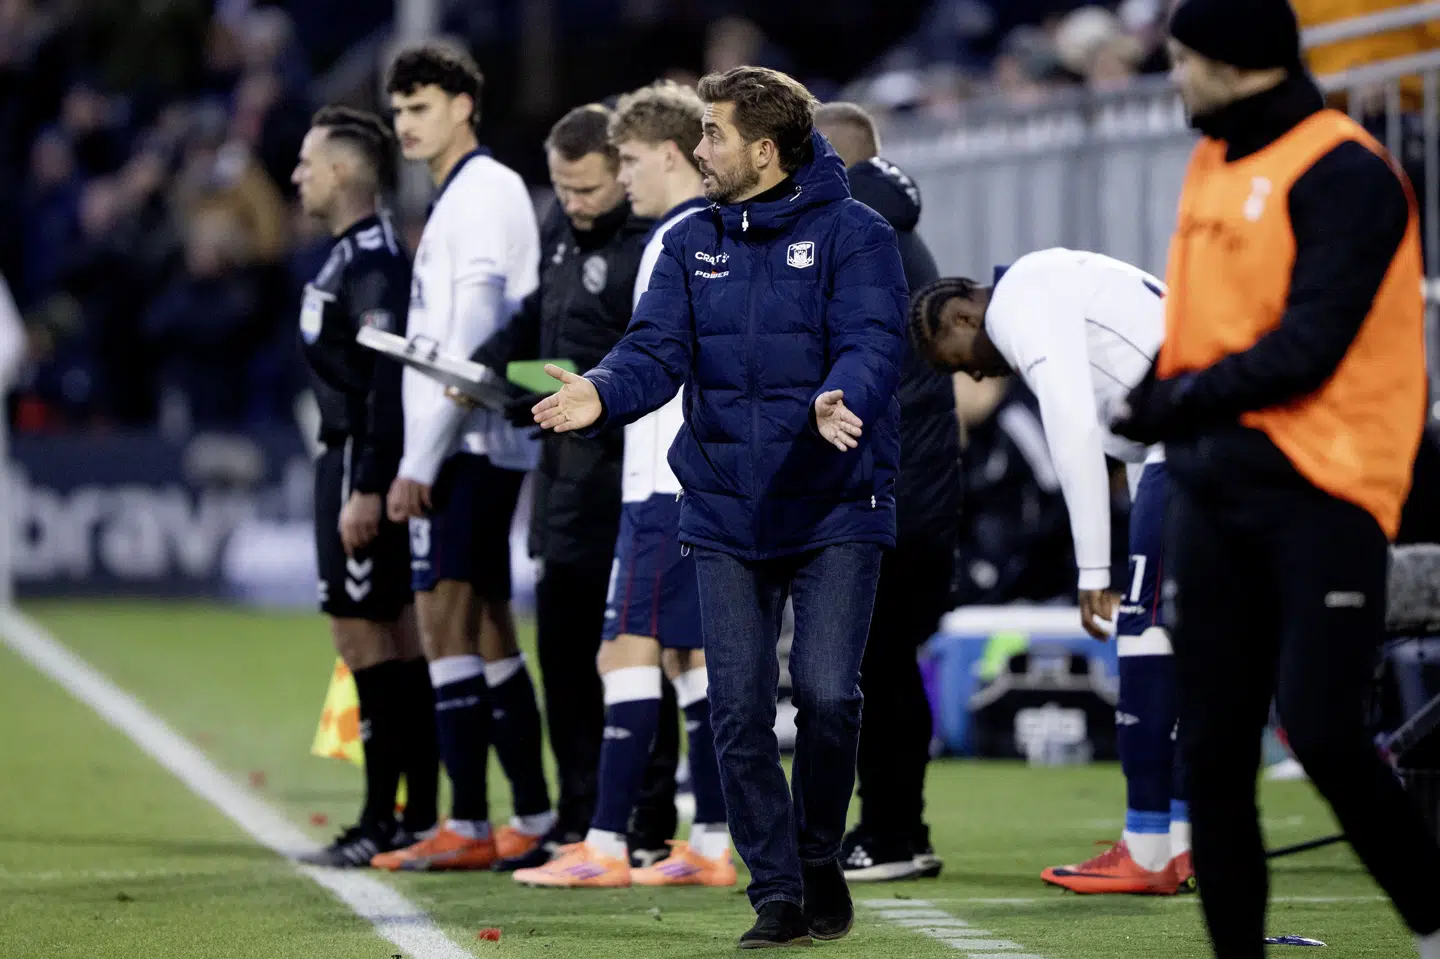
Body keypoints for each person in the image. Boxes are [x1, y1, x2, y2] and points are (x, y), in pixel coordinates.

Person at [530, 66, 908, 948]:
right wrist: (601, 390)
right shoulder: (692, 237)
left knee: (826, 695)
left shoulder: (857, 234)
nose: (698, 150)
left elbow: (873, 338)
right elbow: (653, 349)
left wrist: (838, 394)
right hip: (724, 505)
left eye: (712, 135)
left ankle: (818, 854)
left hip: (835, 501)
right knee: (736, 710)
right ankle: (777, 889)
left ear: (763, 151)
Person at [1110, 1, 1440, 954]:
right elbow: (1200, 324)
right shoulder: (1214, 158)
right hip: (1215, 484)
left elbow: (1312, 344)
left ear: (1231, 61)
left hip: (1325, 485)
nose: (1172, 76)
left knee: (1327, 733)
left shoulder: (1345, 169)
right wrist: (1152, 387)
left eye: (1181, 59)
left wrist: (1173, 401)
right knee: (1212, 752)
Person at [910, 251, 1193, 895]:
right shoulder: (1053, 279)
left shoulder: (1020, 302)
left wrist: (1093, 567)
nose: (978, 371)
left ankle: (1150, 848)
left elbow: (1069, 424)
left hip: (1185, 446)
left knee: (1143, 632)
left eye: (960, 359)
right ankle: (1174, 841)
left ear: (962, 313)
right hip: (1196, 436)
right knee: (1176, 640)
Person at [511, 81, 733, 890]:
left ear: (671, 155)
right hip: (695, 479)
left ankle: (606, 842)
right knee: (691, 661)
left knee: (625, 651)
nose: (625, 175)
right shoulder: (704, 233)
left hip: (658, 480)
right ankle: (708, 839)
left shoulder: (671, 240)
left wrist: (596, 388)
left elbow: (658, 364)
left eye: (632, 160)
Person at [470, 103, 679, 870]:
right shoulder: (560, 230)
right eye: (563, 187)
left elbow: (650, 361)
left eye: (589, 188)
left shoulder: (653, 245)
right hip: (560, 481)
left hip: (620, 477)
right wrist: (488, 369)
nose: (577, 202)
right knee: (563, 658)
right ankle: (576, 816)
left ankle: (647, 819)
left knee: (634, 655)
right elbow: (534, 320)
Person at [369, 43, 555, 873]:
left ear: (462, 106)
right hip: (462, 440)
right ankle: (528, 812)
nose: (404, 123)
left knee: (449, 614)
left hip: (470, 439)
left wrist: (421, 459)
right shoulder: (459, 196)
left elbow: (476, 343)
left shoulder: (482, 192)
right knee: (477, 621)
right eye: (399, 109)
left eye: (419, 107)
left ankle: (475, 822)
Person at [287, 106, 439, 868]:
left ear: (344, 171)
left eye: (309, 162)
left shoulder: (374, 260)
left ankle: (389, 816)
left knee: (370, 635)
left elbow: (385, 374)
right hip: (344, 457)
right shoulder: (348, 254)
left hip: (357, 461)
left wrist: (368, 483)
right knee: (388, 634)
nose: (297, 175)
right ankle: (413, 812)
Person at [813, 101, 960, 883]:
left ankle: (897, 830)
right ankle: (896, 825)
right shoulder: (894, 232)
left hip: (888, 487)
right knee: (883, 661)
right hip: (914, 484)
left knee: (878, 665)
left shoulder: (860, 238)